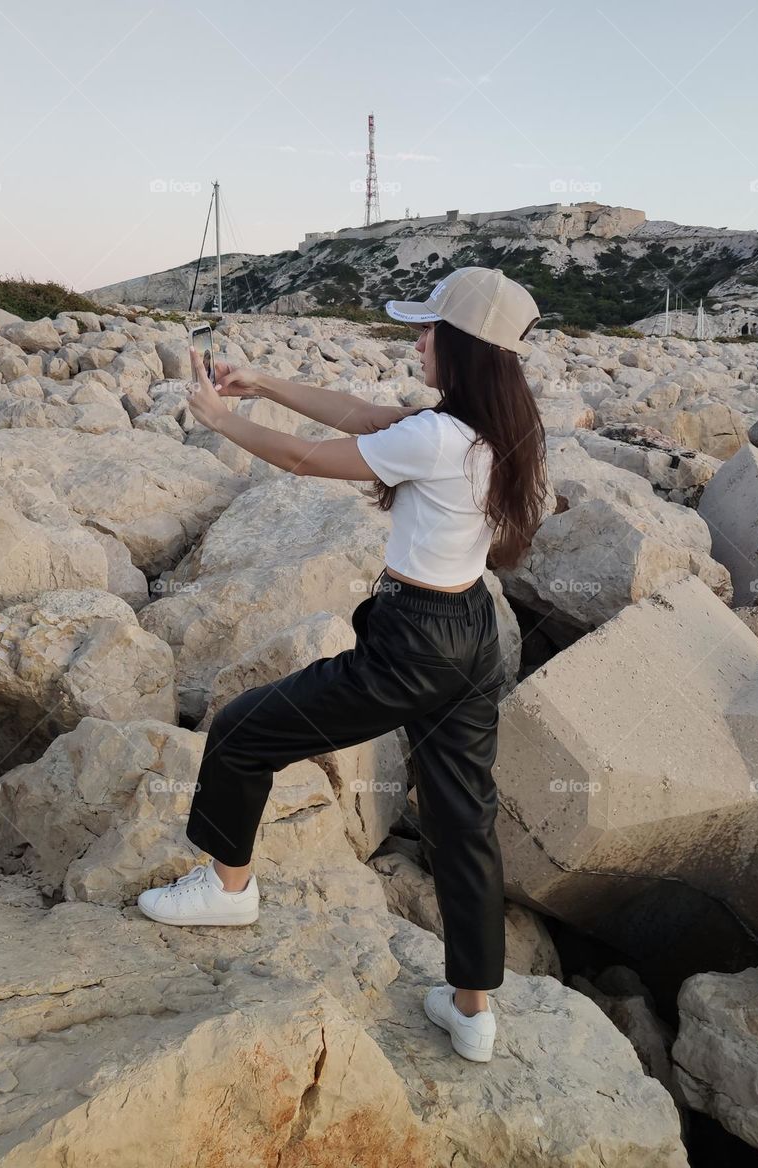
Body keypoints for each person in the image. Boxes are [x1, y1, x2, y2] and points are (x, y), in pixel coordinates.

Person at [137, 266, 548, 1063]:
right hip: (472, 631)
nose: (418, 342)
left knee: (243, 728)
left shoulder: (435, 436)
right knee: (465, 823)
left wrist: (221, 417)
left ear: (462, 346)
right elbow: (361, 415)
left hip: (415, 642)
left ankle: (228, 890)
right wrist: (260, 379)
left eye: (429, 331)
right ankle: (472, 1011)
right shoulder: (496, 429)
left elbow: (303, 460)